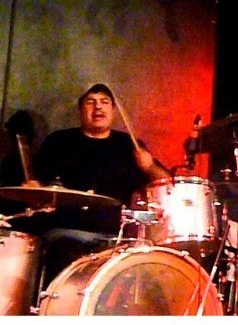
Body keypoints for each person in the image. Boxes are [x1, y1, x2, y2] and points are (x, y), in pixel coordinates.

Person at [29, 83, 170, 284]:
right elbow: (35, 185)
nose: (98, 107)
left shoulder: (128, 144)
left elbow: (165, 184)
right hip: (66, 234)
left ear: (113, 110)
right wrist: (34, 189)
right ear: (81, 109)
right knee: (66, 262)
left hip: (113, 238)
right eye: (90, 102)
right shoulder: (59, 141)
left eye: (105, 102)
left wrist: (149, 166)